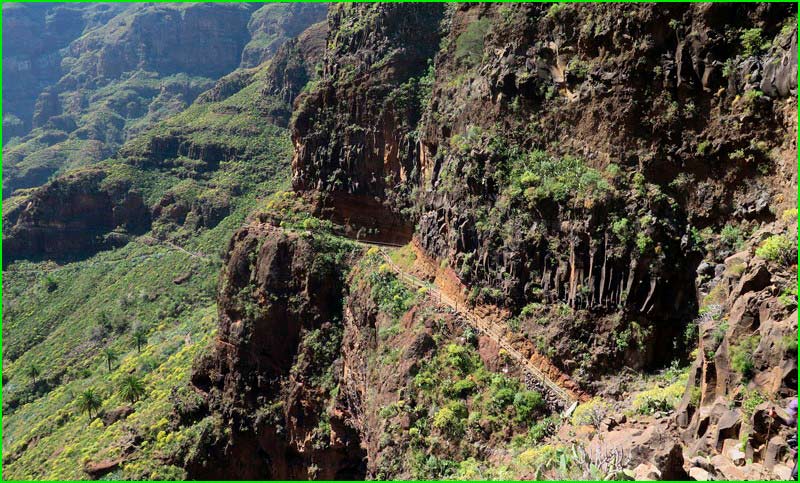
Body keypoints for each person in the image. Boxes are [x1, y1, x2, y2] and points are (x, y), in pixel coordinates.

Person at [771, 398, 797, 479]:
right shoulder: (796, 417)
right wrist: (775, 416)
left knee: (795, 474)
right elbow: (788, 422)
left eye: (794, 412)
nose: (792, 414)